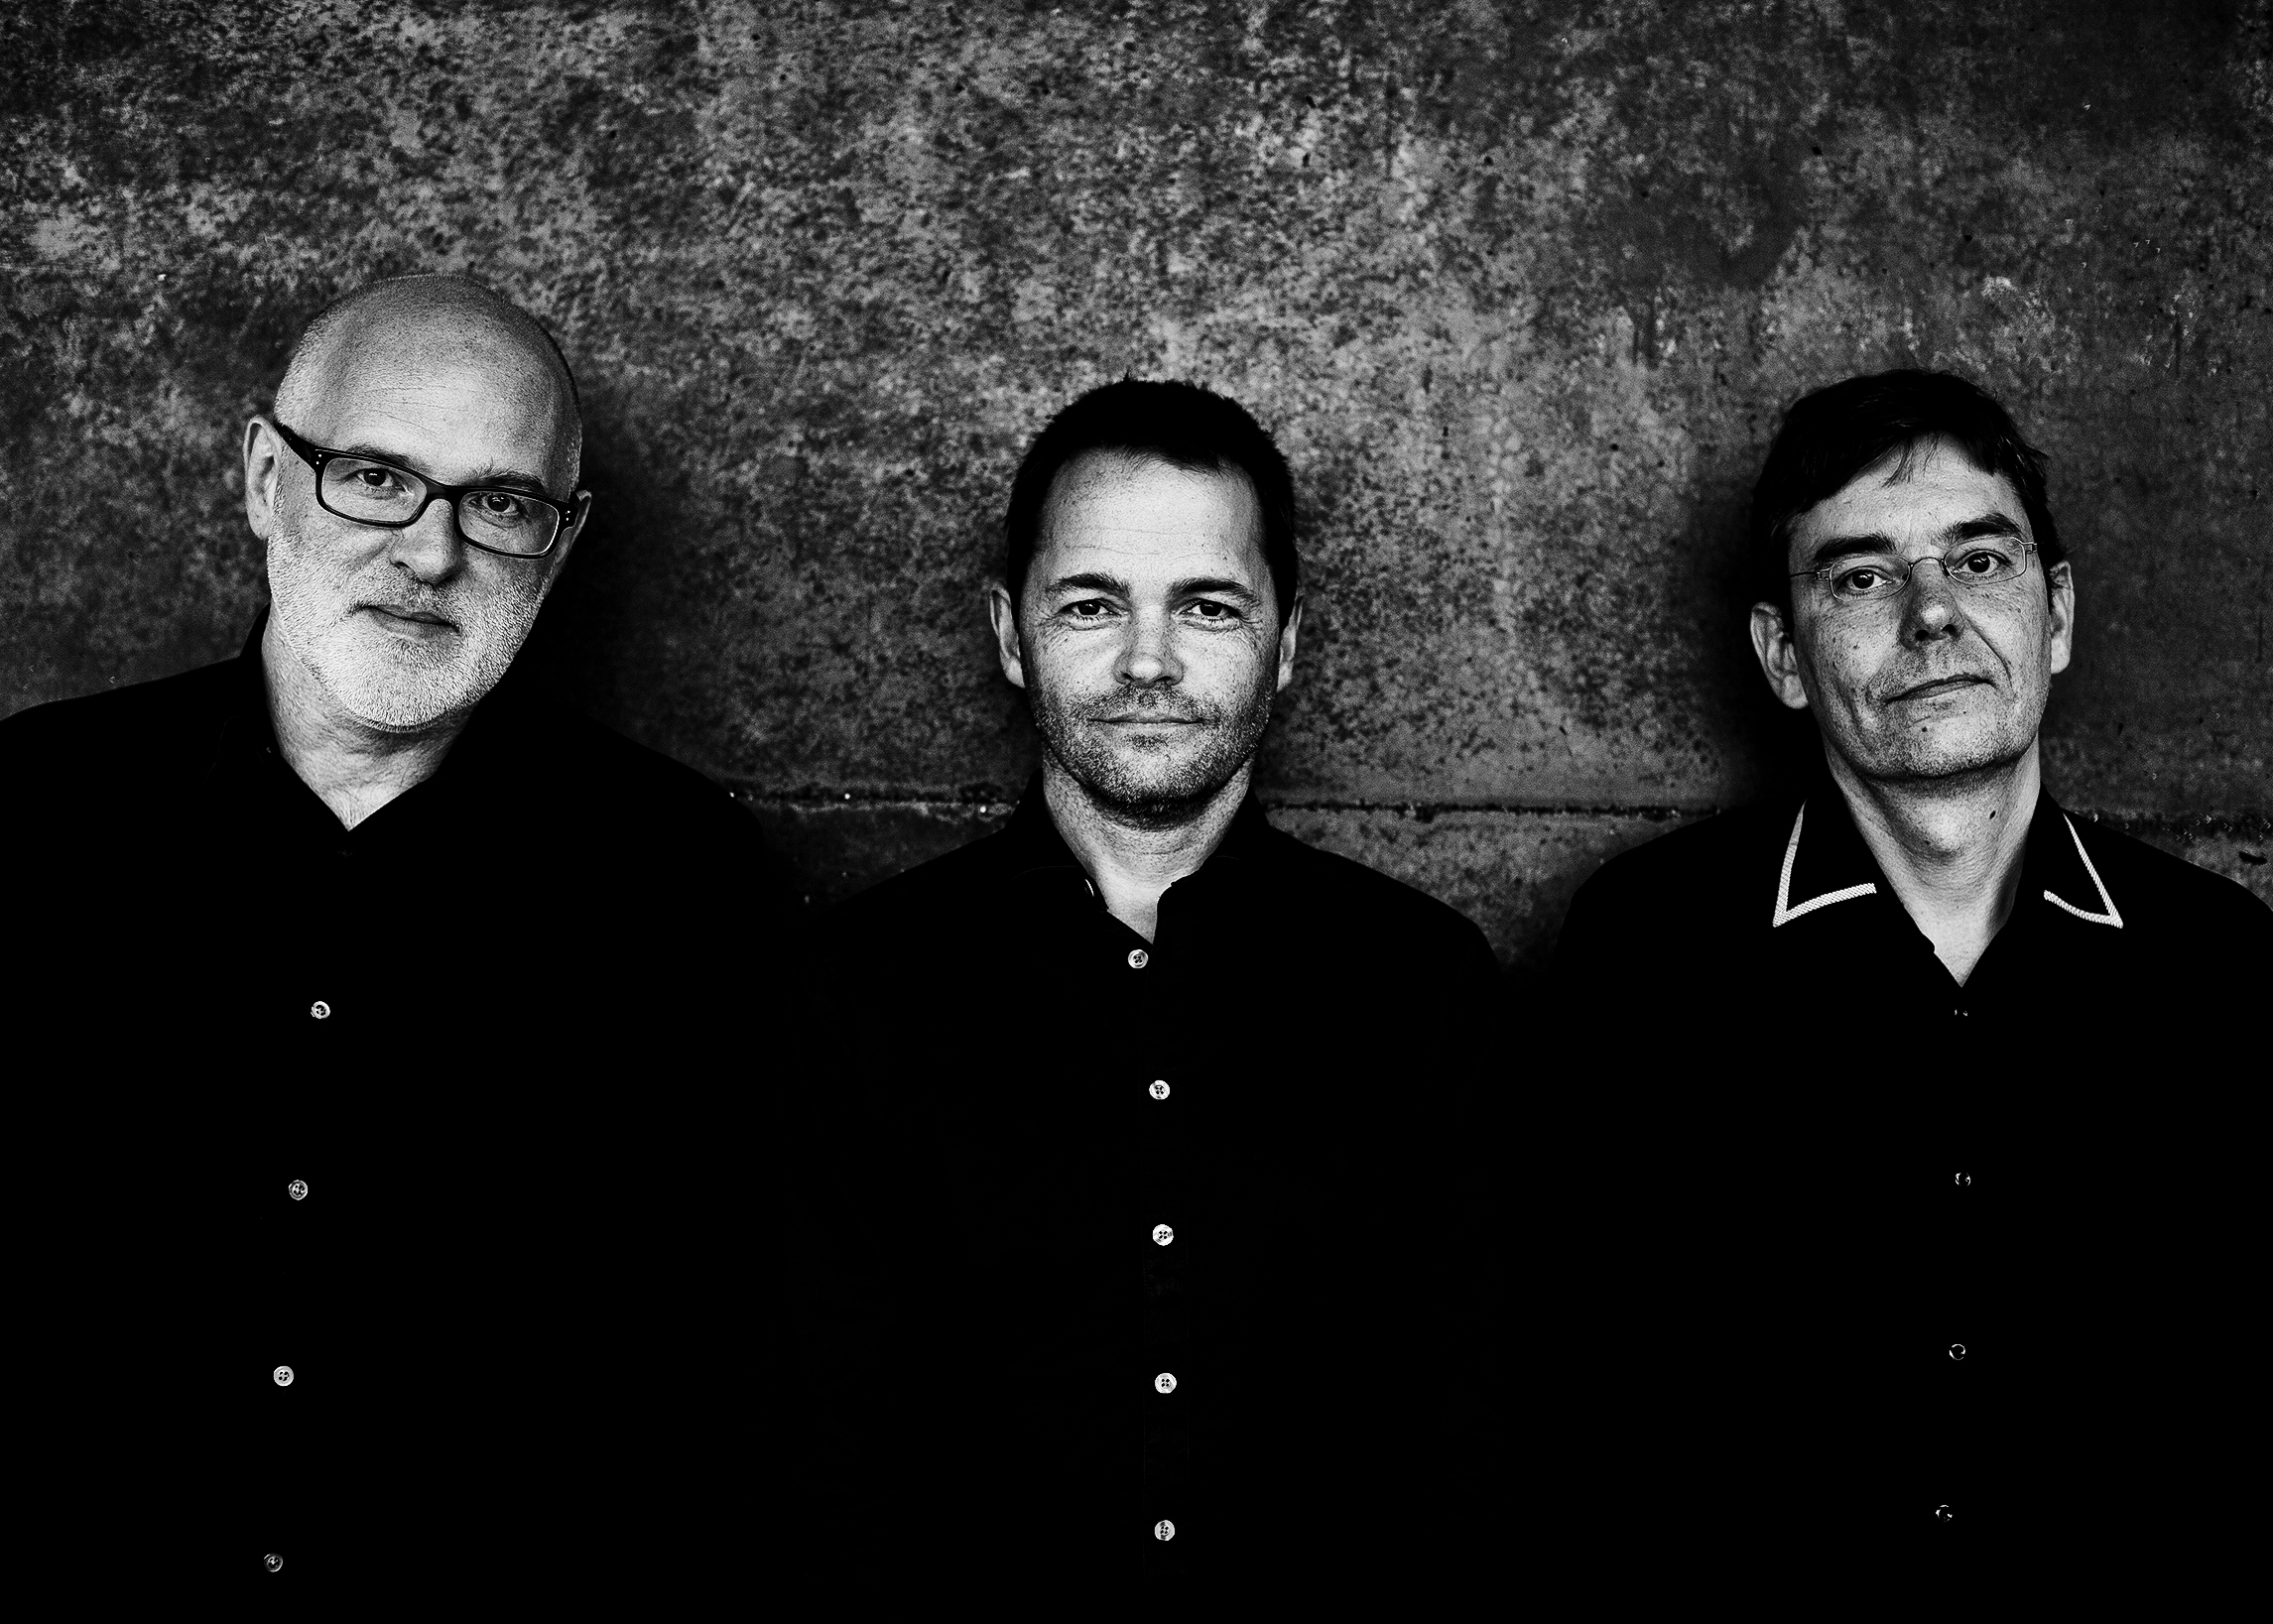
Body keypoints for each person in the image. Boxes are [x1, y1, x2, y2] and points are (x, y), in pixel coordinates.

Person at [0, 275, 791, 1595]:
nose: (431, 552)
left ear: (561, 540)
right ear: (267, 480)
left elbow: (726, 1387)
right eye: (375, 477)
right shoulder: (31, 816)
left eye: (500, 503)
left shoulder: (682, 886)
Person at [796, 379, 1508, 1593]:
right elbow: (821, 1446)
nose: (1146, 660)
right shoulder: (856, 987)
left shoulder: (1421, 986)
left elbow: (1475, 1436)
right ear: (1008, 632)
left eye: (1207, 605)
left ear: (1286, 641)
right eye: (1090, 603)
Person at [1548, 369, 2269, 1566]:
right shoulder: (1647, 951)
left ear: (2054, 615)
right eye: (1860, 576)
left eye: (1978, 560)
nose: (1931, 613)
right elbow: (1575, 1408)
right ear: (1782, 654)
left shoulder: (2220, 967)